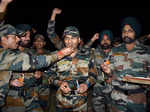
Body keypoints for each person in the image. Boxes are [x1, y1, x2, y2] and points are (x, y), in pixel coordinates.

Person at [0, 24, 73, 110]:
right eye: (15, 37)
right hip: (13, 98)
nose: (18, 39)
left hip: (30, 95)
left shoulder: (29, 52)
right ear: (4, 38)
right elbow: (34, 62)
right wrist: (60, 54)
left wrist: (10, 81)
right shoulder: (5, 54)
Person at [101, 17, 150, 112]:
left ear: (136, 32)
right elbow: (108, 72)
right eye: (124, 31)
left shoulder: (147, 51)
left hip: (138, 99)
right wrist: (108, 71)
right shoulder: (114, 51)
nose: (126, 33)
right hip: (117, 98)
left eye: (130, 31)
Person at [48, 26, 97, 112]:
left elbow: (94, 75)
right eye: (67, 38)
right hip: (61, 102)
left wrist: (86, 84)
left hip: (81, 103)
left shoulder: (88, 55)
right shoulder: (56, 55)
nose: (69, 41)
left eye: (73, 38)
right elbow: (49, 76)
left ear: (79, 40)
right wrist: (60, 83)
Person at [89, 30, 114, 112]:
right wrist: (92, 40)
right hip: (98, 90)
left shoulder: (117, 53)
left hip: (113, 91)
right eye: (103, 39)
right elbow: (82, 51)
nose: (105, 41)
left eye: (107, 39)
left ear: (111, 40)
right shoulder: (94, 52)